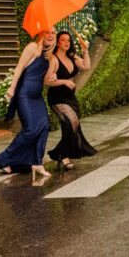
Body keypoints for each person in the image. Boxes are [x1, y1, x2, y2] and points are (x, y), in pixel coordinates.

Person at [0, 29, 57, 179]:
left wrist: (53, 76)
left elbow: (47, 80)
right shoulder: (32, 48)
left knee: (44, 126)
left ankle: (37, 162)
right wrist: (12, 88)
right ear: (41, 34)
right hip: (25, 95)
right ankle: (3, 159)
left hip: (37, 96)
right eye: (47, 32)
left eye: (53, 33)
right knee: (30, 129)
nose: (50, 35)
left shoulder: (51, 57)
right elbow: (19, 68)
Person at [46, 30, 95, 171]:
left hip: (70, 98)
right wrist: (63, 81)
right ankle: (63, 156)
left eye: (68, 40)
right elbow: (46, 81)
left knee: (74, 125)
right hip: (57, 98)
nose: (66, 42)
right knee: (69, 123)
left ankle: (60, 153)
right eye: (63, 40)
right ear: (57, 42)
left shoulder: (72, 56)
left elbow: (86, 66)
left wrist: (85, 51)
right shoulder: (54, 59)